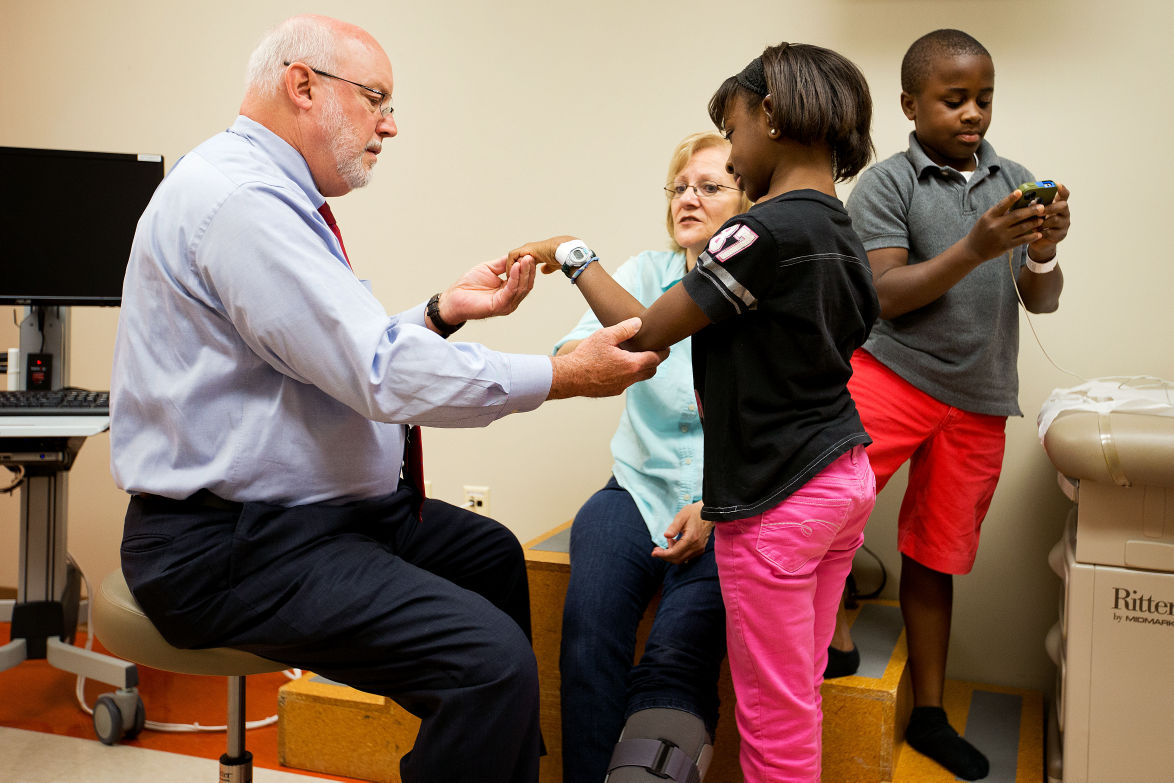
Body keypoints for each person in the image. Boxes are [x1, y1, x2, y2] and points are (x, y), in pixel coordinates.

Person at [108, 14, 665, 783]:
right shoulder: (241, 203)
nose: (391, 125)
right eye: (376, 98)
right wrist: (562, 375)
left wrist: (440, 312)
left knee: (493, 556)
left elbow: (324, 357)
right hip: (228, 548)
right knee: (492, 665)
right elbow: (374, 373)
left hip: (305, 522)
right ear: (303, 85)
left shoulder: (265, 192)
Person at [511, 41, 879, 783]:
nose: (734, 154)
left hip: (776, 502)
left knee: (769, 723)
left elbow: (644, 335)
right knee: (794, 698)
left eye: (733, 128)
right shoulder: (839, 229)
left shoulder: (759, 233)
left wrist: (577, 260)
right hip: (842, 479)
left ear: (770, 115)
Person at [837, 29, 1071, 781]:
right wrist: (974, 246)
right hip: (890, 376)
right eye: (955, 98)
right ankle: (828, 640)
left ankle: (931, 713)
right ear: (911, 105)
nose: (974, 113)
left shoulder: (1015, 177)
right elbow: (883, 296)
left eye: (986, 98)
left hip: (978, 400)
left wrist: (1042, 251)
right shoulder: (885, 183)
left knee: (935, 555)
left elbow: (1043, 299)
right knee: (826, 511)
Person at [554, 131, 749, 783]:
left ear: (749, 200)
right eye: (680, 186)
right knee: (588, 632)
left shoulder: (765, 295)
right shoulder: (644, 274)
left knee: (675, 652)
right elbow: (576, 357)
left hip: (728, 507)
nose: (688, 197)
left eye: (710, 186)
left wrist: (717, 508)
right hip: (634, 491)